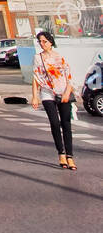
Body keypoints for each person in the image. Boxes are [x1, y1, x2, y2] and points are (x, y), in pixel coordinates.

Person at [31, 30, 77, 170]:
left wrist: (67, 92)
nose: (42, 44)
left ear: (51, 42)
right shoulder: (38, 58)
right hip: (47, 93)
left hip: (63, 92)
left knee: (66, 124)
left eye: (44, 41)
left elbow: (68, 77)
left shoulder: (60, 57)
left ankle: (70, 156)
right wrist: (35, 96)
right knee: (55, 123)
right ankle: (61, 153)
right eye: (40, 41)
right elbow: (36, 78)